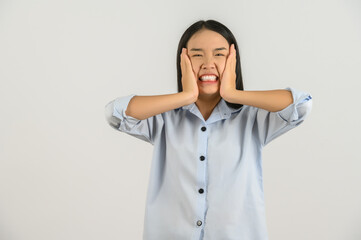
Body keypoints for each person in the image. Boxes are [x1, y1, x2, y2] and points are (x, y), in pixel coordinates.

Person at [104, 19, 313, 240]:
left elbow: (302, 104)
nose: (208, 63)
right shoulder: (164, 118)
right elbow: (114, 113)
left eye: (219, 54)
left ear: (233, 61)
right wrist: (186, 96)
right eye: (197, 55)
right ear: (183, 62)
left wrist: (233, 93)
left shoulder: (253, 117)